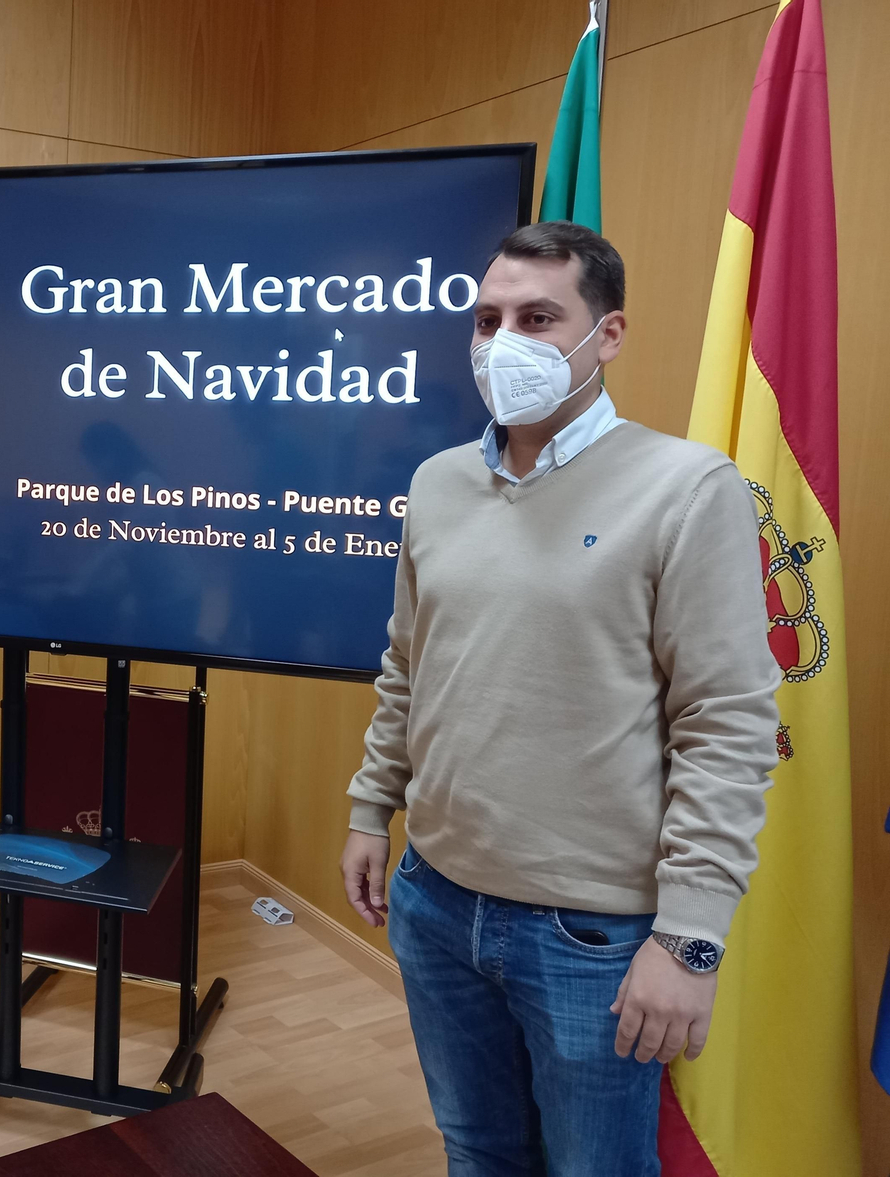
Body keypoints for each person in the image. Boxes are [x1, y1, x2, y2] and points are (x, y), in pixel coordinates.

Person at [338, 222, 780, 1175]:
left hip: (594, 935)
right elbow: (408, 663)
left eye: (539, 318)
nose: (506, 342)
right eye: (489, 319)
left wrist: (692, 938)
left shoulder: (687, 488)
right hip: (436, 900)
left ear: (607, 335)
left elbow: (728, 723)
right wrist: (372, 807)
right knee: (480, 1151)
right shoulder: (438, 481)